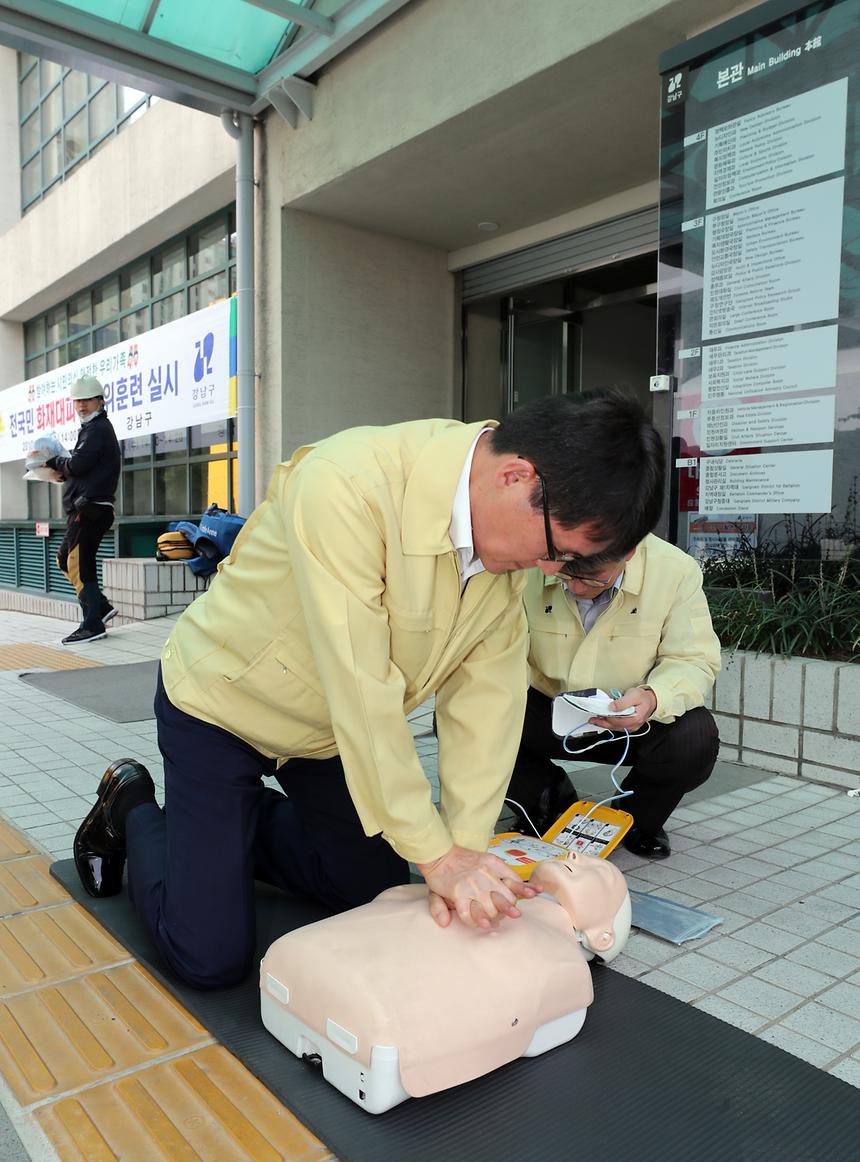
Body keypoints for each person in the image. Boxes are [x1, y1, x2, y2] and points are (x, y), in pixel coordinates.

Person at [74, 391, 665, 988]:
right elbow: (362, 687)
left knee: (372, 893)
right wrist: (436, 858)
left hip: (327, 735)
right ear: (516, 478)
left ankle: (225, 831)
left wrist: (461, 851)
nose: (549, 571)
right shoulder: (346, 483)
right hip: (223, 708)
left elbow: (487, 704)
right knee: (209, 958)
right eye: (557, 551)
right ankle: (131, 808)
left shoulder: (504, 549)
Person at [505, 533, 721, 859]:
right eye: (566, 574)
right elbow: (501, 654)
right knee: (465, 714)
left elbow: (692, 659)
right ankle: (545, 799)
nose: (576, 589)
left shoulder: (674, 570)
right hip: (548, 709)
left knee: (695, 737)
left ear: (629, 551)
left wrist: (653, 698)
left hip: (632, 720)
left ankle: (636, 818)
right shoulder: (530, 562)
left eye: (593, 578)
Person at [46, 375, 121, 645]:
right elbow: (84, 469)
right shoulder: (91, 429)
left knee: (78, 564)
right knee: (65, 559)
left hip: (91, 510)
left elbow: (78, 465)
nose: (81, 405)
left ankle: (92, 624)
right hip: (86, 510)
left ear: (100, 401)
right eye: (78, 401)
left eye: (87, 400)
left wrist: (56, 461)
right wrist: (64, 473)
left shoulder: (98, 429)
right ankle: (99, 607)